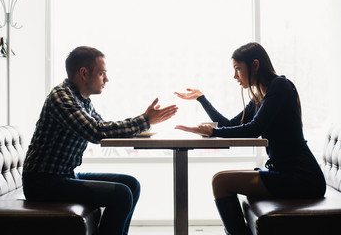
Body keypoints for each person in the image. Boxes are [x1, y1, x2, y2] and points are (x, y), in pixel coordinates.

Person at [22, 46, 178, 235]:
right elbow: (96, 132)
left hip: (65, 175)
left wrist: (144, 123)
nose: (106, 79)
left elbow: (103, 127)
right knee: (121, 195)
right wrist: (144, 120)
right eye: (102, 73)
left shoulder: (82, 100)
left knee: (131, 184)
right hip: (42, 182)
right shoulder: (61, 97)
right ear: (84, 73)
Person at [174, 42, 326, 235]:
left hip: (303, 177)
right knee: (220, 181)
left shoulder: (279, 86)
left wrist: (213, 132)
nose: (235, 76)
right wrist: (201, 98)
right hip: (287, 173)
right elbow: (229, 124)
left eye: (238, 69)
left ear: (255, 65)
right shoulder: (262, 95)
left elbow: (253, 129)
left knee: (221, 182)